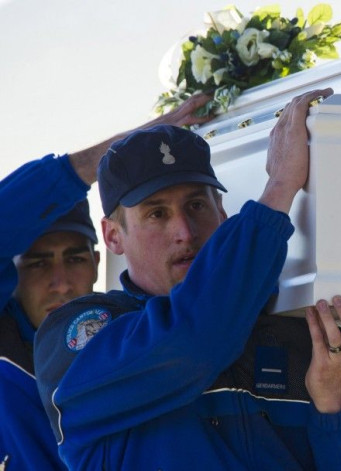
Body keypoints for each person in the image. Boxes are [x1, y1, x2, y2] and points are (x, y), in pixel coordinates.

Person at [34, 89, 341, 470]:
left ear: (223, 213)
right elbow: (193, 340)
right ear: (113, 236)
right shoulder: (78, 338)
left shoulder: (304, 336)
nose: (185, 231)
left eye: (196, 205)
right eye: (156, 214)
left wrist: (333, 403)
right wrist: (279, 187)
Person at [0, 93, 213, 470]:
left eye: (76, 258)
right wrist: (103, 159)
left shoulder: (132, 338)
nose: (61, 282)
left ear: (101, 258)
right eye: (37, 264)